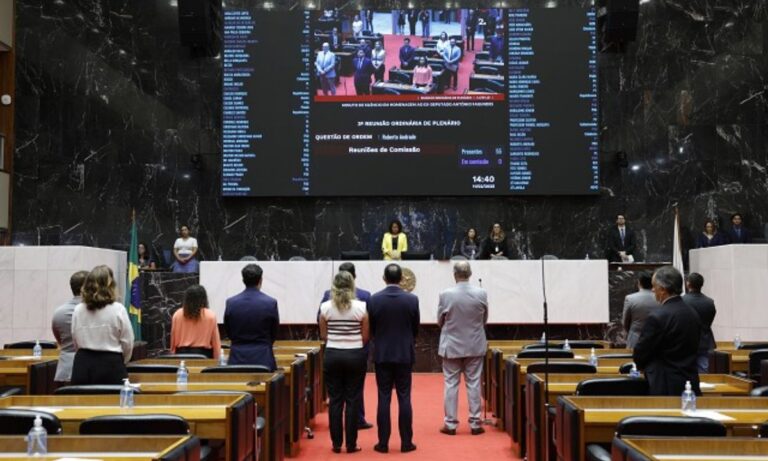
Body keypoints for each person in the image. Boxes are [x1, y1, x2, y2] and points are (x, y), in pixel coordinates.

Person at [368, 264, 420, 453]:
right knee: (404, 397)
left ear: (384, 278)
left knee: (383, 398)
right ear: (401, 279)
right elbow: (415, 329)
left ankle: (383, 443)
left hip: (382, 354)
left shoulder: (374, 300)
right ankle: (406, 442)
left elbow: (371, 329)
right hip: (404, 354)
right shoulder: (412, 300)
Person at [320, 272, 370, 453]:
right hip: (355, 355)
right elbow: (365, 337)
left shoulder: (325, 307)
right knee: (352, 399)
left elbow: (323, 336)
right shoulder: (361, 307)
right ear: (352, 285)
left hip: (332, 355)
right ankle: (351, 444)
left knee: (335, 400)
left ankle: (336, 444)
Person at [437, 261, 488, 436]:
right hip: (474, 343)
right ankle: (475, 423)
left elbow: (440, 321)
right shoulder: (481, 293)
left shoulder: (445, 294)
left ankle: (450, 424)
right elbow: (484, 319)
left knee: (451, 384)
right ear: (470, 273)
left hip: (451, 344)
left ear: (454, 274)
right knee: (473, 383)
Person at [633, 266, 701, 396]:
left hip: (664, 384)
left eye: (654, 287)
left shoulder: (658, 317)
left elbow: (640, 353)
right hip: (690, 384)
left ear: (663, 290)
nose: (652, 290)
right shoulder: (693, 313)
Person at [70, 265, 134, 385]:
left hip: (83, 365)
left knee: (81, 402)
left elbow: (75, 339)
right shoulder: (118, 309)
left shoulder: (78, 309)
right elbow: (128, 342)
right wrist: (120, 359)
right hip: (112, 365)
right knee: (113, 402)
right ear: (110, 287)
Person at [224, 264, 280, 370]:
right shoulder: (270, 303)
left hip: (237, 357)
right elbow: (274, 332)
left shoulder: (231, 303)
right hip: (263, 357)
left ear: (243, 280)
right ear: (260, 280)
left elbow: (229, 331)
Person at [51, 270, 89, 385]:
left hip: (65, 370)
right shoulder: (94, 311)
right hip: (88, 370)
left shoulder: (59, 312)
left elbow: (59, 340)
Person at [170, 285, 222, 359]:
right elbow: (216, 343)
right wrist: (217, 360)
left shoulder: (177, 314)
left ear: (186, 298)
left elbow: (173, 341)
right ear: (204, 298)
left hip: (181, 357)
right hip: (203, 357)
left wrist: (173, 356)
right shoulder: (210, 315)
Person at [683, 273, 717, 373]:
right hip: (705, 341)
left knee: (687, 373)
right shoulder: (710, 302)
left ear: (688, 284)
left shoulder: (682, 301)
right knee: (704, 374)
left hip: (687, 342)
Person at [621, 272, 659, 349]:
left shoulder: (630, 298)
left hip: (635, 338)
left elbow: (625, 322)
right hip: (656, 339)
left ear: (639, 283)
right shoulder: (660, 298)